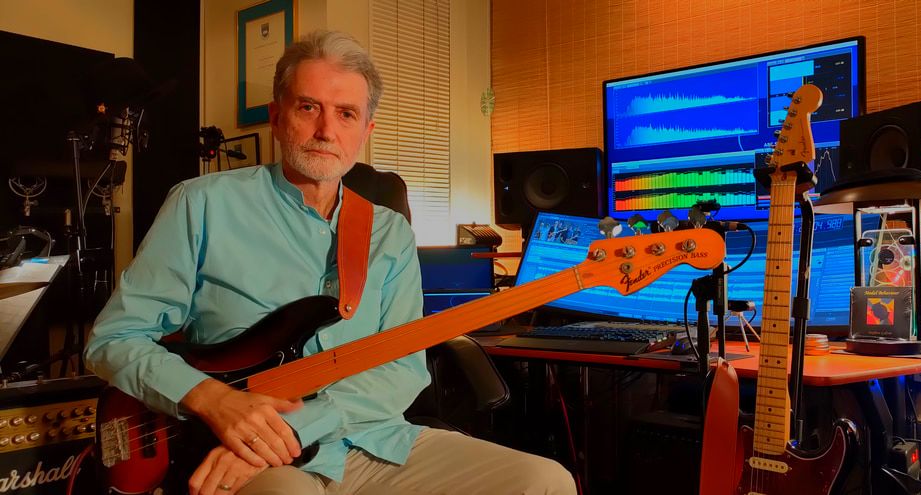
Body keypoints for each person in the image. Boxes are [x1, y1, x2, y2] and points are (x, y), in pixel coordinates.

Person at [85, 30, 577, 495]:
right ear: (277, 116)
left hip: (370, 440)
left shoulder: (389, 232)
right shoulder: (202, 204)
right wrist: (216, 401)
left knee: (545, 481)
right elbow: (114, 339)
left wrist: (296, 428)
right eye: (308, 107)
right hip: (237, 447)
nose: (326, 130)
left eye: (346, 114)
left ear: (366, 130)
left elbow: (403, 369)